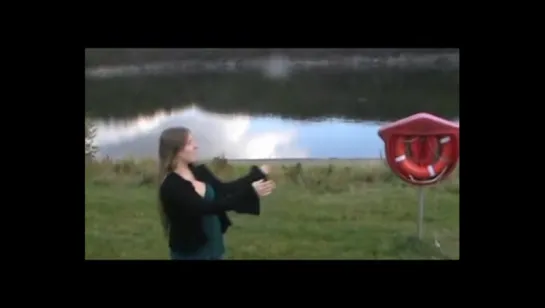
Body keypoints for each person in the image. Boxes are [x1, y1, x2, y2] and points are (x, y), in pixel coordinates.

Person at [158, 126, 276, 260]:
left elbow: (224, 190)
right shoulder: (171, 186)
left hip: (216, 248)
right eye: (190, 143)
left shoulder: (199, 172)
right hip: (191, 253)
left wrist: (256, 175)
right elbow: (207, 207)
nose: (196, 146)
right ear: (177, 150)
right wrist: (250, 192)